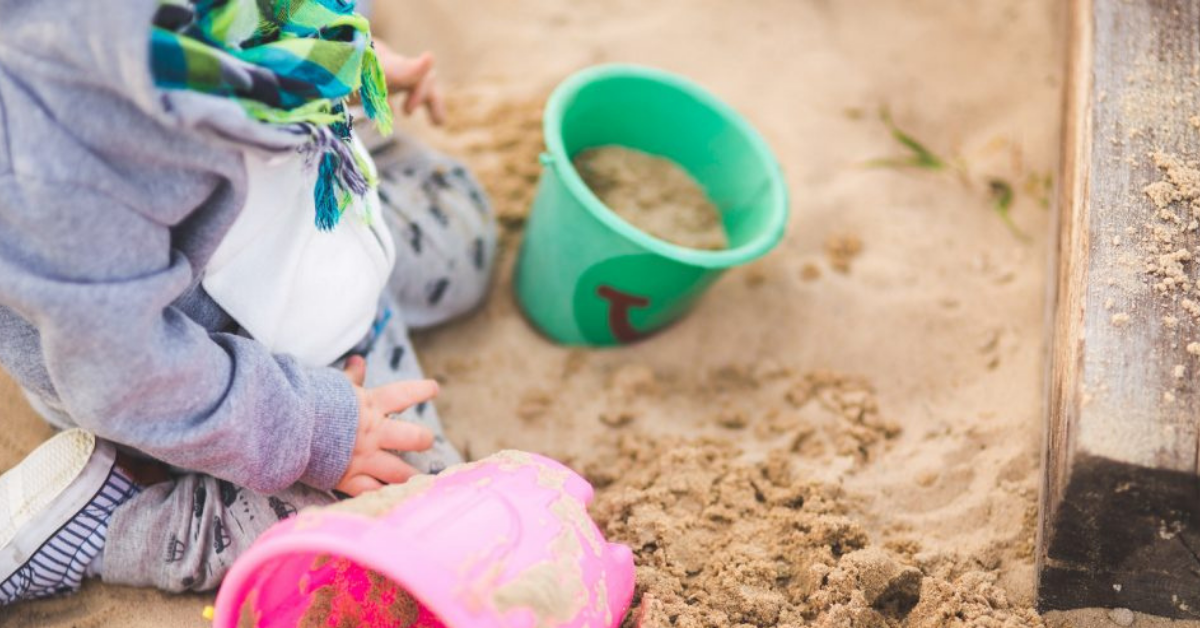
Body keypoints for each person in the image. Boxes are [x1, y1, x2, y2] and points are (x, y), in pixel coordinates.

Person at [0, 0, 495, 602]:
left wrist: (342, 69)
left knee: (465, 240)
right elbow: (130, 379)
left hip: (295, 226)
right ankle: (114, 519)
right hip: (215, 372)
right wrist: (317, 431)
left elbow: (279, 21)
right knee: (414, 512)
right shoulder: (58, 146)